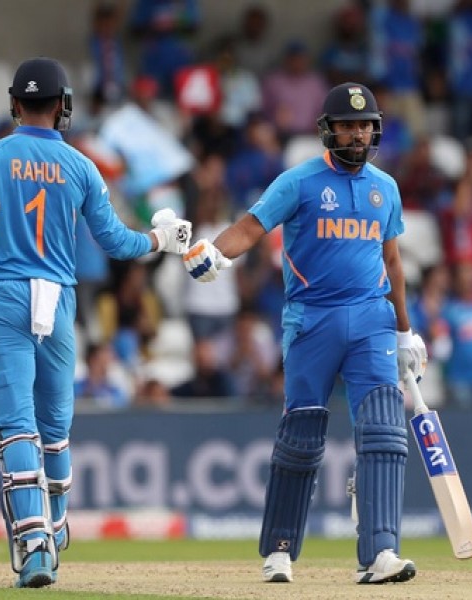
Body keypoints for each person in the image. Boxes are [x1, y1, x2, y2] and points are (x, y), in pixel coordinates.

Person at [0, 57, 191, 588]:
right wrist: (163, 241)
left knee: (16, 425)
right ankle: (55, 526)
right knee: (55, 431)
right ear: (62, 106)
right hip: (57, 301)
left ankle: (36, 546)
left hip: (0, 297)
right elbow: (116, 242)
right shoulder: (83, 167)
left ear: (15, 104)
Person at [183, 82, 427, 585]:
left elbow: (394, 262)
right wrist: (215, 253)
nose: (357, 134)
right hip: (311, 320)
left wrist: (405, 332)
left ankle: (381, 551)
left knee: (383, 431)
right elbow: (251, 227)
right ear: (328, 130)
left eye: (365, 126)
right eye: (348, 125)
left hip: (370, 321)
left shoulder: (386, 187)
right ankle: (279, 549)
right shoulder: (299, 181)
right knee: (301, 439)